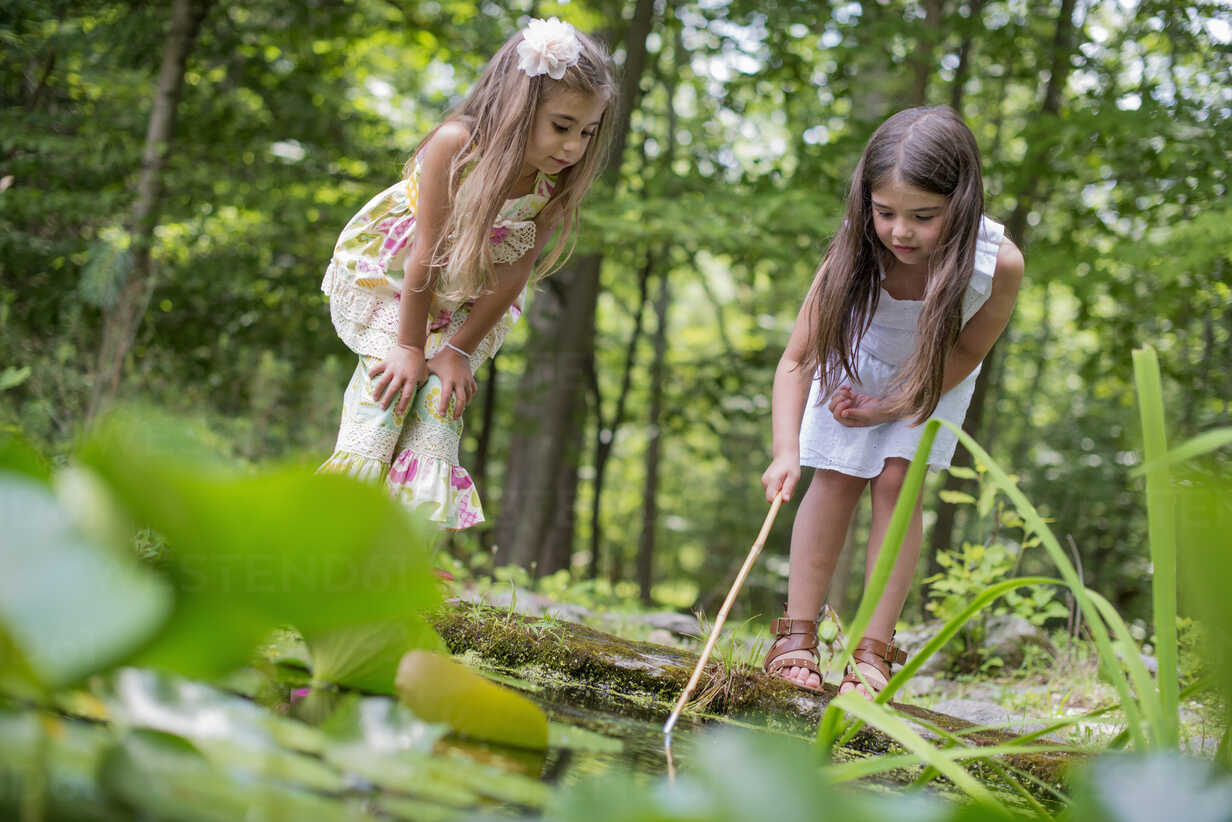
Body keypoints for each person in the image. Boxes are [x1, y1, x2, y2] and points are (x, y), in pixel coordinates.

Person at [760, 107, 1025, 698]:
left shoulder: (997, 263)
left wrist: (896, 404)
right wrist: (785, 451)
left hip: (935, 373)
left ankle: (873, 652)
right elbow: (797, 359)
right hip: (855, 365)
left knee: (897, 485)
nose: (901, 231)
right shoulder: (854, 250)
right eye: (886, 213)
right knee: (834, 480)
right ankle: (796, 636)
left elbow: (967, 353)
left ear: (962, 202)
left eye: (923, 216)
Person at [318, 18, 616, 529]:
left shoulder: (551, 184)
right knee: (387, 393)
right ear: (518, 109)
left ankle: (405, 552)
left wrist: (456, 353)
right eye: (562, 126)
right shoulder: (457, 146)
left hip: (466, 302)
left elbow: (514, 272)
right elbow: (425, 254)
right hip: (398, 285)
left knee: (439, 403)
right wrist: (411, 347)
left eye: (587, 133)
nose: (573, 148)